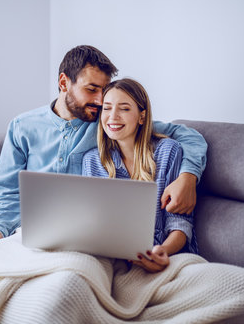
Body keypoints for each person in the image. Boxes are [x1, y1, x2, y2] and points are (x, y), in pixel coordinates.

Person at [0, 45, 207, 285]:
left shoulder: (106, 123)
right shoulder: (23, 125)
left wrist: (188, 176)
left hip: (71, 230)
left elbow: (185, 135)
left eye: (104, 89)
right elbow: (5, 188)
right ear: (64, 82)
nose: (101, 100)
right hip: (16, 221)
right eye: (91, 89)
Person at [82, 78, 197, 273]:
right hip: (107, 258)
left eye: (124, 109)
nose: (113, 116)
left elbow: (179, 222)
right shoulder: (92, 161)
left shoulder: (167, 151)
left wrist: (163, 252)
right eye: (107, 108)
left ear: (142, 117)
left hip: (158, 256)